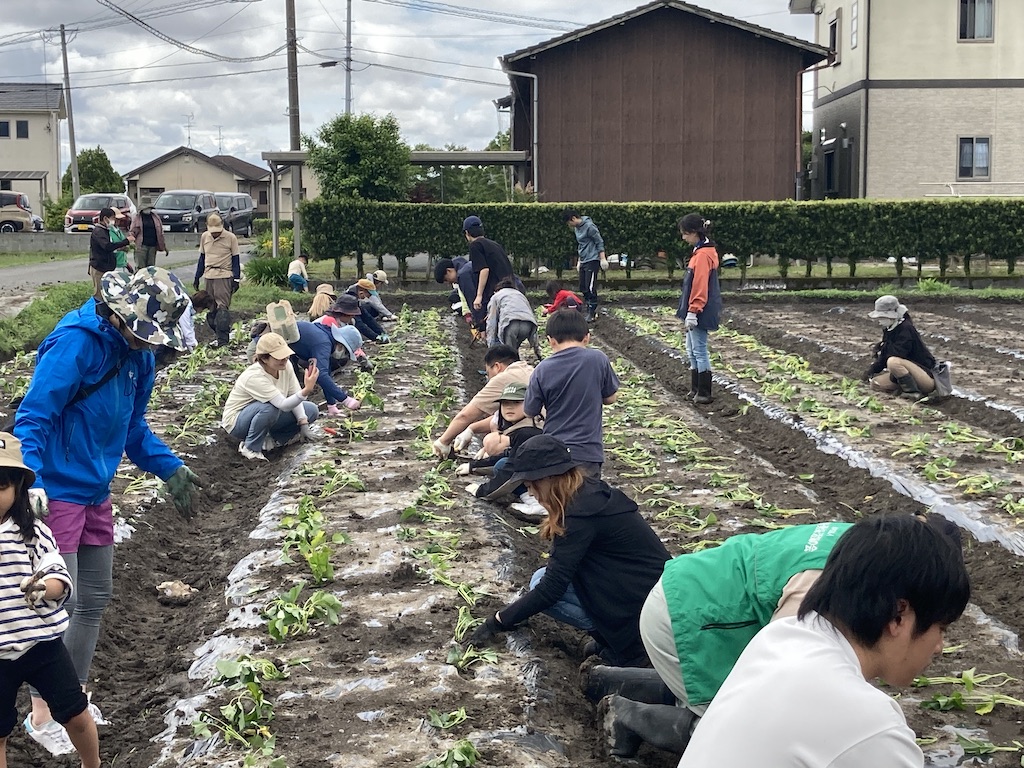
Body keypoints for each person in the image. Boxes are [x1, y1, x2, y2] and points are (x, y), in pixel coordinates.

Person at [13, 266, 202, 744]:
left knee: (95, 596)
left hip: (97, 491)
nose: (149, 344)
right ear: (119, 316)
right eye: (145, 335)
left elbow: (133, 428)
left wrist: (170, 467)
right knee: (60, 600)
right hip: (55, 492)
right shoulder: (77, 344)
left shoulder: (140, 358)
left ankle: (72, 698)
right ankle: (43, 713)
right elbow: (33, 416)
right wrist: (31, 481)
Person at [677, 514, 970, 767]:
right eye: (941, 628)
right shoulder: (871, 726)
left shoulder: (781, 635)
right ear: (898, 616)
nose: (939, 646)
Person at [594, 521, 853, 758]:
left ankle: (621, 683)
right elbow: (783, 676)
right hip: (691, 622)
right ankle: (631, 719)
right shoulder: (821, 585)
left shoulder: (857, 543)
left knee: (745, 699)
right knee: (760, 736)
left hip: (689, 593)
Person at [469, 435, 670, 667]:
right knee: (540, 577)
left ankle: (627, 650)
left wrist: (497, 621)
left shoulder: (578, 515)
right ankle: (610, 639)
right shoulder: (586, 492)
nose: (531, 492)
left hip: (643, 604)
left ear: (549, 478)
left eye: (532, 484)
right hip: (644, 588)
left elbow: (552, 589)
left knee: (542, 585)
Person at [0, 433, 101, 767]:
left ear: (17, 488)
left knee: (75, 714)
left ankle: (92, 763)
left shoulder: (31, 532)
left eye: (0, 486)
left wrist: (45, 587)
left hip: (40, 644)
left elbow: (56, 570)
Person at [524, 310, 619, 477]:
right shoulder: (598, 359)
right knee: (586, 491)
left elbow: (529, 411)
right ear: (587, 338)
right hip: (587, 451)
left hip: (553, 451)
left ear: (551, 341)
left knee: (558, 492)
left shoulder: (542, 369)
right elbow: (610, 398)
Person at [221, 333, 321, 461]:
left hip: (266, 414)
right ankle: (250, 447)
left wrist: (303, 422)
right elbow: (283, 405)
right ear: (264, 359)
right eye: (279, 357)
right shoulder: (254, 376)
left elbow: (293, 395)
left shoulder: (286, 366)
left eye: (286, 356)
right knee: (269, 408)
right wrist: (306, 390)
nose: (284, 359)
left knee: (311, 410)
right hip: (238, 421)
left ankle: (272, 441)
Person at [431, 345, 533, 459]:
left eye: (488, 373)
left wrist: (443, 441)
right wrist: (472, 429)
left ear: (497, 367)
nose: (489, 378)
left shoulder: (503, 378)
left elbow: (465, 415)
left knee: (491, 442)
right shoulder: (529, 370)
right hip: (544, 433)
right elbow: (504, 416)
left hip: (528, 439)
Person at [460, 383, 544, 511]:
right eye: (505, 403)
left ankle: (538, 503)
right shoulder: (522, 427)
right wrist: (473, 467)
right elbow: (510, 455)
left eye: (516, 402)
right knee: (501, 463)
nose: (509, 407)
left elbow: (512, 469)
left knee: (504, 466)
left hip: (553, 482)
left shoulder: (529, 431)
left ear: (530, 404)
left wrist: (482, 491)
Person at [675, 213, 721, 405]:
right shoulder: (701, 252)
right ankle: (695, 389)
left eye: (685, 233)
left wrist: (693, 310)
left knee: (699, 349)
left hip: (701, 309)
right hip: (697, 308)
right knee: (691, 348)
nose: (683, 237)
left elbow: (699, 285)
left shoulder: (703, 255)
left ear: (694, 232)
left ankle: (704, 391)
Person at [291, 297, 364, 416]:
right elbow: (321, 374)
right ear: (341, 344)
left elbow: (326, 372)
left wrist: (331, 405)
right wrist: (346, 400)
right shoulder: (323, 343)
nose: (343, 355)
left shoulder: (326, 336)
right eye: (345, 351)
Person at [865, 295, 937, 400]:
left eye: (881, 317)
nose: (879, 321)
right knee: (876, 384)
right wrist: (872, 370)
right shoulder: (889, 329)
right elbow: (885, 354)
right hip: (909, 374)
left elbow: (897, 353)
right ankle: (902, 390)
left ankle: (913, 392)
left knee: (893, 362)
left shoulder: (906, 329)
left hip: (925, 377)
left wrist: (883, 347)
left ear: (891, 316)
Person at [193, 212, 240, 348]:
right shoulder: (205, 237)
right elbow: (202, 258)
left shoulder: (231, 238)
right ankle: (219, 335)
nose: (215, 234)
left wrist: (236, 279)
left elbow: (235, 259)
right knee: (211, 308)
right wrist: (197, 276)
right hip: (209, 275)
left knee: (222, 307)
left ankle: (223, 342)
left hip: (224, 275)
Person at [463, 215, 516, 326]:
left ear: (467, 233)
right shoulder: (495, 244)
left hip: (496, 291)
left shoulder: (475, 246)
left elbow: (484, 269)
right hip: (511, 288)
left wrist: (479, 296)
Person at [563, 210, 606, 323]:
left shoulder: (590, 227)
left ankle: (592, 312)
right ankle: (589, 308)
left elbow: (599, 242)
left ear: (573, 218)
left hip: (592, 259)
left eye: (569, 223)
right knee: (583, 287)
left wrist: (602, 258)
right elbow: (581, 245)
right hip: (584, 260)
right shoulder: (577, 229)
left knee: (590, 287)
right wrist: (579, 260)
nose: (569, 225)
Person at [486, 277, 542, 361]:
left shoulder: (496, 296)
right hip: (528, 325)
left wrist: (490, 345)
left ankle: (512, 366)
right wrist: (536, 348)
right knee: (515, 349)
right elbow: (530, 313)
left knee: (509, 354)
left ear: (497, 289)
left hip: (511, 324)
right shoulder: (520, 295)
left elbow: (492, 321)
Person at [87, 207, 135, 300]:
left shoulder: (106, 230)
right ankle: (98, 309)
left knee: (108, 294)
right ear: (105, 218)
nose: (114, 221)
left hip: (107, 267)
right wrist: (126, 241)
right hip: (99, 267)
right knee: (100, 294)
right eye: (113, 218)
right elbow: (108, 247)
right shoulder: (99, 231)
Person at [346, 279, 390, 343]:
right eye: (368, 294)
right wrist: (376, 337)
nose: (368, 297)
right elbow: (359, 324)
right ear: (362, 290)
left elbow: (368, 318)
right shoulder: (350, 301)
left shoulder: (356, 299)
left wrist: (382, 333)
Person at [129, 204, 168, 269]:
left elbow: (160, 232)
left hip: (152, 246)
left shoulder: (155, 217)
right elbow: (132, 231)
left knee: (151, 267)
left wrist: (164, 246)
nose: (148, 210)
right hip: (141, 246)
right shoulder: (137, 218)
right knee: (141, 267)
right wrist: (131, 242)